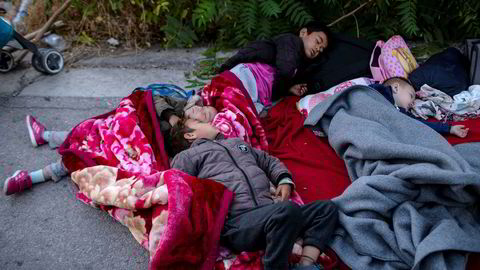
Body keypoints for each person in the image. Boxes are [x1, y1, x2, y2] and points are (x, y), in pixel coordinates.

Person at [169, 118, 338, 270]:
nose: (210, 122)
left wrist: (284, 180)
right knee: (287, 210)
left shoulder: (236, 143)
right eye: (200, 122)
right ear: (189, 135)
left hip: (269, 213)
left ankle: (306, 264)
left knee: (327, 208)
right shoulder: (187, 157)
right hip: (237, 222)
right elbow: (180, 189)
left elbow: (268, 161)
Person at [2, 97, 215, 196]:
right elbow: (151, 98)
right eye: (203, 108)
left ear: (195, 131)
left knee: (90, 155)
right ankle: (46, 136)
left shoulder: (189, 143)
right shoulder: (180, 106)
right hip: (128, 126)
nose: (202, 111)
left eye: (205, 118)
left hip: (135, 149)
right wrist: (171, 117)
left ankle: (32, 177)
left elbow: (169, 165)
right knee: (91, 131)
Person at [218, 21, 331, 101]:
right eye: (318, 41)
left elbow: (278, 77)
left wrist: (290, 89)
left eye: (321, 49)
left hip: (255, 86)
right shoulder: (291, 41)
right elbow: (285, 71)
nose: (318, 49)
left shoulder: (301, 62)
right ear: (303, 33)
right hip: (246, 75)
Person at [370, 77, 469, 138]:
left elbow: (421, 125)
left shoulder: (402, 112)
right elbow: (362, 94)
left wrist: (449, 129)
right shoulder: (378, 91)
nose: (412, 103)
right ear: (395, 88)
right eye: (411, 96)